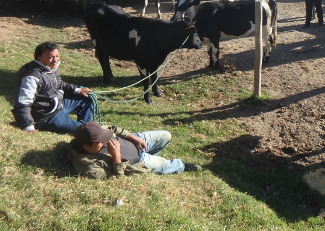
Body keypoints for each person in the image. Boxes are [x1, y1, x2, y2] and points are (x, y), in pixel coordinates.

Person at [69, 121, 201, 179]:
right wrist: (116, 156)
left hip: (136, 142)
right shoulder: (90, 168)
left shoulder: (92, 133)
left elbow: (114, 129)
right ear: (86, 147)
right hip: (138, 160)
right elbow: (116, 178)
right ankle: (182, 166)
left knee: (166, 135)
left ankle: (150, 153)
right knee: (166, 164)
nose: (105, 141)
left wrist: (134, 139)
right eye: (101, 141)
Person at [13, 41, 94, 134]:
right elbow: (23, 103)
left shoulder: (50, 68)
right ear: (39, 59)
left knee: (87, 98)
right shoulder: (31, 77)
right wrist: (28, 126)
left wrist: (78, 90)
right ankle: (86, 131)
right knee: (85, 131)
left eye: (57, 56)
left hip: (58, 105)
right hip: (47, 117)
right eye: (50, 57)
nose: (55, 60)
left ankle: (87, 126)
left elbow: (58, 83)